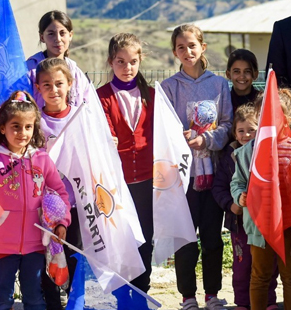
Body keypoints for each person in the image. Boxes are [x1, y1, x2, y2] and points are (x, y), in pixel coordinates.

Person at [162, 24, 232, 310]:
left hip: (214, 176)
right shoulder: (168, 87)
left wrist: (206, 139)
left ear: (203, 47)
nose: (187, 51)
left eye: (192, 45)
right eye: (181, 47)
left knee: (213, 239)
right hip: (182, 178)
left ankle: (212, 294)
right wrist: (178, 139)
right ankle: (188, 296)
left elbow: (227, 125)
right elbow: (164, 130)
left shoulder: (218, 85)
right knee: (186, 240)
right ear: (174, 52)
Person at [0, 91, 71, 310]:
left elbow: (60, 191)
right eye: (16, 126)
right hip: (2, 242)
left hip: (35, 243)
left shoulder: (41, 158)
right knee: (2, 297)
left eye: (28, 127)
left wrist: (62, 222)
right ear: (3, 128)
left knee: (34, 297)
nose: (23, 133)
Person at [231, 89, 291, 310]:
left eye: (275, 114)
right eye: (264, 115)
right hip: (259, 224)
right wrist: (240, 197)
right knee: (259, 275)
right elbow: (237, 182)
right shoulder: (246, 153)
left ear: (287, 118)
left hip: (289, 224)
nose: (269, 120)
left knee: (290, 275)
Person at [96, 33, 155, 307]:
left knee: (144, 238)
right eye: (121, 61)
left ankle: (141, 293)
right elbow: (102, 133)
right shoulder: (101, 97)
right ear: (111, 62)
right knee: (119, 238)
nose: (127, 67)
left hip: (145, 179)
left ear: (140, 60)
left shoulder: (152, 95)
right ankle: (121, 295)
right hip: (115, 182)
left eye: (133, 61)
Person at [212, 104, 278, 310]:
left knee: (267, 264)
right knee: (242, 265)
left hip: (263, 221)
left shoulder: (268, 153)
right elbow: (219, 187)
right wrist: (231, 205)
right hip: (240, 223)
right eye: (241, 131)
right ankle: (242, 302)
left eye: (252, 130)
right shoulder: (229, 157)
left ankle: (268, 301)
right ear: (234, 132)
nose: (246, 135)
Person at [34, 58, 84, 310]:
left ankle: (75, 302)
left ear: (70, 84)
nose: (53, 90)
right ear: (38, 88)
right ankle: (53, 303)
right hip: (44, 208)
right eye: (47, 85)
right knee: (48, 255)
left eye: (59, 84)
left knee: (75, 254)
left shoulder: (81, 116)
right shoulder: (33, 122)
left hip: (77, 203)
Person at [26, 11, 93, 108]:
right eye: (51, 34)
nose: (58, 39)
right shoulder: (30, 70)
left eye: (62, 33)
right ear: (42, 37)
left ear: (70, 35)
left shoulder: (77, 74)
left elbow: (88, 109)